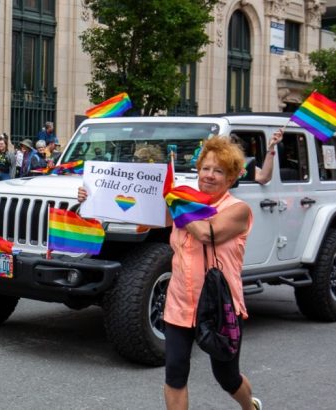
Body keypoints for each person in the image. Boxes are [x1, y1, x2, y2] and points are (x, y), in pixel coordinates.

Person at [79, 137, 261, 410]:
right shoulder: (183, 200)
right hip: (179, 303)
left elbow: (206, 233)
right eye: (206, 168)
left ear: (232, 177)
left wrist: (176, 202)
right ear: (198, 169)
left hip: (219, 306)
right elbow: (137, 213)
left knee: (226, 376)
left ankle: (250, 406)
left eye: (219, 171)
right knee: (175, 373)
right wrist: (92, 198)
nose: (210, 175)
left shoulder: (238, 210)